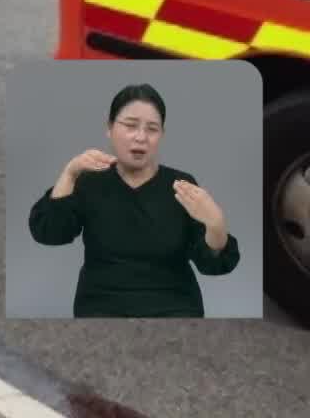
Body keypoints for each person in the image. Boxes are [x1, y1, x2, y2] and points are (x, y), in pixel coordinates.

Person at [28, 84, 240, 318]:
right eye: (130, 126)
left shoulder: (181, 185)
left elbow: (210, 264)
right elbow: (50, 234)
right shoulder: (89, 182)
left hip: (174, 309)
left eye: (152, 129)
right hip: (100, 309)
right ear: (109, 128)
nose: (141, 137)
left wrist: (216, 225)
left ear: (162, 135)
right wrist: (69, 174)